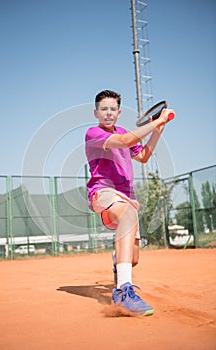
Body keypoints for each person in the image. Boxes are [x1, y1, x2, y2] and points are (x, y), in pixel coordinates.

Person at [85, 90, 174, 316]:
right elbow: (125, 141)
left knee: (132, 260)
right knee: (127, 216)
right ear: (96, 112)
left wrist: (158, 131)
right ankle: (123, 291)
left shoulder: (125, 131)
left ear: (119, 112)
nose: (108, 113)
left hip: (127, 196)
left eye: (112, 109)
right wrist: (157, 122)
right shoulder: (93, 133)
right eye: (103, 109)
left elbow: (143, 156)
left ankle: (119, 264)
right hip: (103, 192)